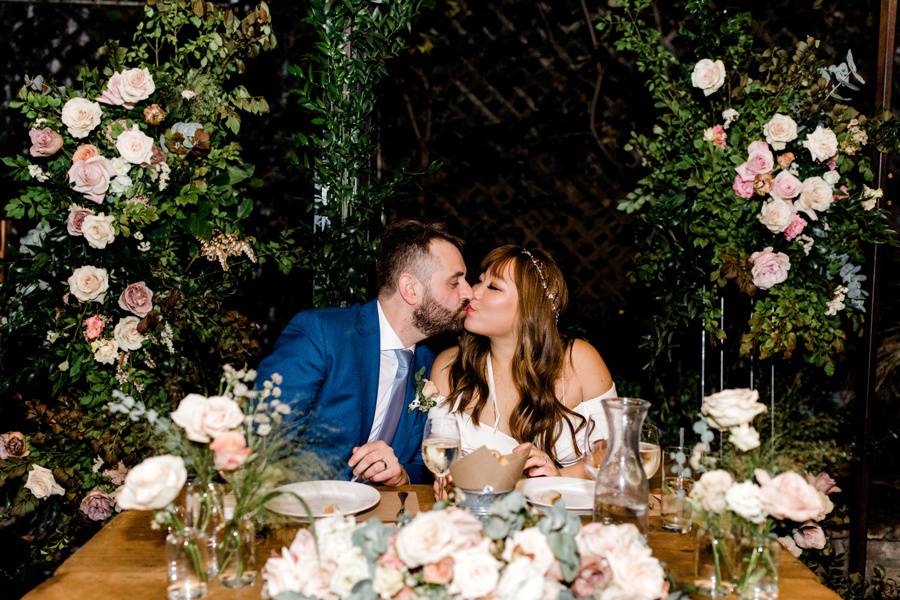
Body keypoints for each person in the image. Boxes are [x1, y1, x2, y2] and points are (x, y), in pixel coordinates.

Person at [256, 220, 473, 485]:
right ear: (410, 289)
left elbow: (421, 466)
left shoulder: (428, 363)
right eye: (455, 282)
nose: (469, 292)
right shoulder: (322, 335)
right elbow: (266, 441)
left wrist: (400, 474)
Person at [429, 244, 616, 482]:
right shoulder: (449, 368)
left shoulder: (579, 360)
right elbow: (440, 465)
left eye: (494, 287)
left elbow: (616, 451)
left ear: (531, 307)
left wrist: (560, 475)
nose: (473, 292)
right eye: (480, 281)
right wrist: (447, 483)